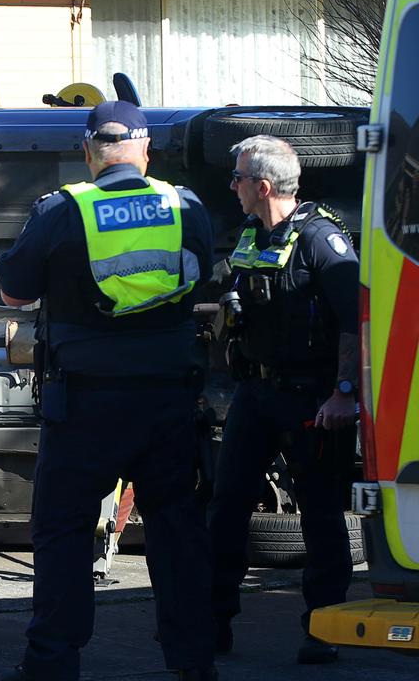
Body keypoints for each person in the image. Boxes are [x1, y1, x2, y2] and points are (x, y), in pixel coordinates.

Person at [0, 101, 216, 681]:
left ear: (89, 152)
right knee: (177, 532)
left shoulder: (64, 210)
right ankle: (193, 665)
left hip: (85, 403)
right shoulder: (183, 204)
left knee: (63, 532)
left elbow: (14, 294)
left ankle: (52, 666)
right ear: (145, 150)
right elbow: (203, 274)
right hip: (167, 399)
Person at [209, 135, 358, 665]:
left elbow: (353, 322)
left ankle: (324, 628)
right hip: (257, 393)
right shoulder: (250, 234)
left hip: (314, 400)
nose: (233, 187)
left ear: (263, 186)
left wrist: (344, 394)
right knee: (226, 507)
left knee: (320, 514)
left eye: (239, 178)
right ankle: (213, 623)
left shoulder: (322, 240)